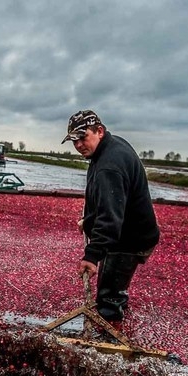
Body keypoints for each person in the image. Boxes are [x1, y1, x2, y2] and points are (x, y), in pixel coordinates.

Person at [62, 110, 160, 321]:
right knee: (114, 288)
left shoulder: (109, 165)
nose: (78, 145)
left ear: (99, 131)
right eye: (74, 140)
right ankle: (119, 308)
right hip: (131, 232)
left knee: (107, 299)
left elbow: (110, 217)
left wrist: (91, 255)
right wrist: (88, 220)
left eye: (82, 137)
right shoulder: (109, 147)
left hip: (129, 239)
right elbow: (109, 200)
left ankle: (110, 345)